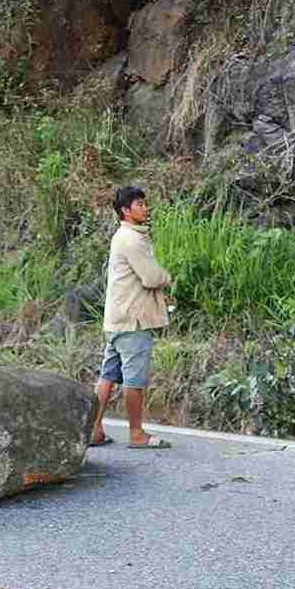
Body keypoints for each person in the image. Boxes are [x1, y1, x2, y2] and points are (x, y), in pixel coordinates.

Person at [88, 185, 173, 449]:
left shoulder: (124, 237)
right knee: (134, 379)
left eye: (144, 204)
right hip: (133, 320)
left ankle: (93, 430)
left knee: (108, 376)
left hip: (117, 319)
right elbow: (151, 277)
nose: (144, 208)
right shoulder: (131, 239)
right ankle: (136, 434)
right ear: (125, 211)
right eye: (139, 204)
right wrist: (167, 277)